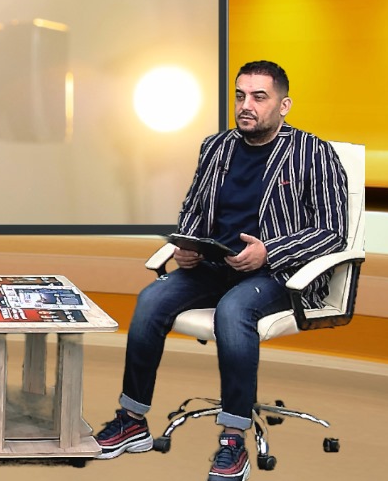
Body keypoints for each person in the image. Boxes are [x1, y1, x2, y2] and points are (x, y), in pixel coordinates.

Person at [93, 60, 348, 481]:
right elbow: (194, 209)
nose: (246, 105)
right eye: (240, 95)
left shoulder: (313, 152)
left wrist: (269, 252)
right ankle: (132, 420)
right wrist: (187, 245)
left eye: (259, 97)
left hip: (279, 275)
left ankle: (233, 439)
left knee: (233, 310)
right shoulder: (216, 146)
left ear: (284, 105)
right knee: (151, 299)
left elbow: (333, 231)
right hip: (216, 266)